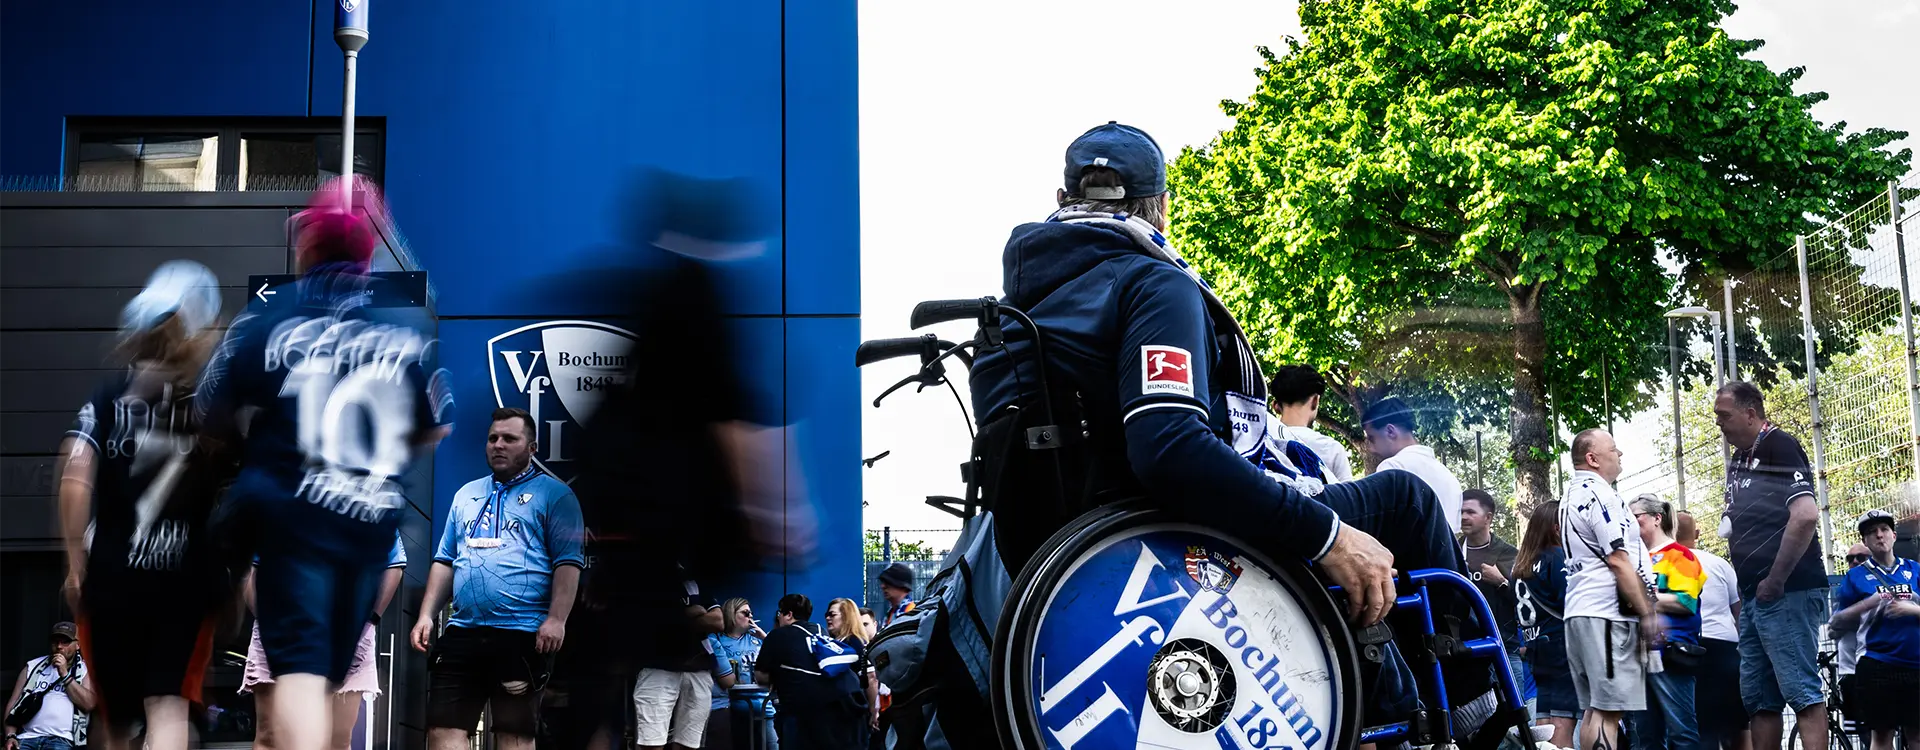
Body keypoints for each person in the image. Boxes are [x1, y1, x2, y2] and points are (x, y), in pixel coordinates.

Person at [960, 121, 1490, 744]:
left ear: (1061, 199)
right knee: (1405, 498)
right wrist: (1327, 535)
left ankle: (1387, 687)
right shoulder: (1152, 282)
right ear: (1158, 205)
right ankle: (1470, 711)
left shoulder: (1013, 316)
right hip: (1172, 529)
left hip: (1074, 555)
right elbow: (1170, 447)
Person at [197, 177, 451, 750]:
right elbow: (437, 424)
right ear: (366, 256)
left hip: (295, 520)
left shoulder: (268, 319)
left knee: (301, 674)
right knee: (328, 675)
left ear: (307, 248)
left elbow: (209, 407)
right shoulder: (401, 330)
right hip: (368, 529)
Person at [54, 261, 226, 750]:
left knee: (115, 722)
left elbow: (75, 472)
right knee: (167, 706)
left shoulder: (110, 397)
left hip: (113, 576)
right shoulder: (207, 405)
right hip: (184, 581)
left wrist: (74, 562)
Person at [411, 408, 585, 750]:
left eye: (510, 439)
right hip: (463, 632)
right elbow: (445, 560)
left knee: (513, 734)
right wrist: (425, 615)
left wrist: (556, 619)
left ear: (532, 447)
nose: (498, 445)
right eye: (493, 438)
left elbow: (568, 563)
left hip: (522, 635)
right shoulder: (466, 495)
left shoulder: (556, 496)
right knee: (441, 729)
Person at [1715, 381, 1830, 750]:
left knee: (1802, 692)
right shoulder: (1739, 460)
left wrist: (1776, 580)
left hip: (1787, 591)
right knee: (1760, 700)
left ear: (1751, 414)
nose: (1719, 423)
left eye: (1725, 415)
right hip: (1754, 597)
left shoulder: (1780, 445)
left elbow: (1806, 515)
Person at [243, 532, 409, 750]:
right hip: (280, 628)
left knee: (336, 740)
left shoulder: (371, 498)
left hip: (348, 631)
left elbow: (393, 562)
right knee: (270, 737)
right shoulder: (278, 497)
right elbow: (250, 568)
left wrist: (370, 620)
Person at [1560, 429, 1658, 750]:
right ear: (1593, 458)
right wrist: (1647, 611)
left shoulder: (1571, 496)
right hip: (1606, 614)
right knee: (1608, 713)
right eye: (1614, 450)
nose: (1620, 455)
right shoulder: (1600, 495)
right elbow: (1618, 559)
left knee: (1595, 710)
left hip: (1581, 612)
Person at [1829, 509, 1920, 750]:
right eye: (1871, 532)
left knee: (1917, 736)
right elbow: (1835, 625)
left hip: (1916, 663)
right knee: (1881, 737)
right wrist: (1868, 604)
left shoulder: (1915, 569)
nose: (1879, 536)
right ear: (1865, 541)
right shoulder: (1855, 577)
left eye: (1884, 530)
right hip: (1877, 662)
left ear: (1893, 535)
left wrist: (1912, 609)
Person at [1629, 495, 1705, 750]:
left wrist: (1640, 598)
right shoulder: (1632, 558)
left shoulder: (1680, 555)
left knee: (1681, 733)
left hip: (1671, 653)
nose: (1630, 522)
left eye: (1636, 516)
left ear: (1656, 518)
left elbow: (1686, 602)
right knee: (1644, 735)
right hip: (1638, 656)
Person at [1678, 511, 1752, 750]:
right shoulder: (1720, 564)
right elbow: (1738, 610)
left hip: (1690, 648)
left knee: (1700, 726)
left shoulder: (1667, 562)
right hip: (1727, 647)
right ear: (1697, 534)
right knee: (1739, 725)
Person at [630, 571, 723, 750]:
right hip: (658, 667)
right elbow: (647, 621)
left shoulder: (694, 580)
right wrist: (693, 614)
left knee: (689, 744)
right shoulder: (643, 580)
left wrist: (676, 617)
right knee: (651, 743)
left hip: (699, 668)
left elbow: (718, 621)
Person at [755, 595, 860, 750]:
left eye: (780, 614)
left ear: (789, 614)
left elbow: (760, 676)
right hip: (828, 712)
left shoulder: (776, 636)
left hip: (795, 712)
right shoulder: (821, 632)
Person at [1515, 501, 1576, 748]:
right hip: (1560, 645)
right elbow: (1569, 601)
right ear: (1555, 527)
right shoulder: (1556, 556)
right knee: (1562, 718)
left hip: (1536, 646)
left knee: (1544, 719)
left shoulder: (1521, 564)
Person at [1460, 489, 1525, 706]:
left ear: (1488, 518)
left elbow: (1526, 605)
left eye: (1470, 512)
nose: (1464, 517)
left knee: (1514, 716)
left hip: (1504, 648)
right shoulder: (1453, 551)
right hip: (1464, 650)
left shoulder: (1509, 555)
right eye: (1461, 511)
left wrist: (1502, 582)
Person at [1364, 396, 1465, 533]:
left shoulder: (1393, 468)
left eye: (1371, 438)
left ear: (1390, 431)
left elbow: (1381, 528)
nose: (1370, 448)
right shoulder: (1448, 476)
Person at [4, 624, 95, 750]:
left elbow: (88, 703)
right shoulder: (32, 666)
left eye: (66, 642)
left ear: (78, 645)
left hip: (62, 740)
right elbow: (13, 703)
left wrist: (64, 674)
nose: (59, 647)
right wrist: (10, 735)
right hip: (27, 738)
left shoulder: (86, 670)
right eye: (55, 641)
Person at [1267, 365, 1354, 483]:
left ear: (1276, 406)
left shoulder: (1263, 441)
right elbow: (1348, 498)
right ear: (1315, 401)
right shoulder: (1332, 449)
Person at [705, 598, 767, 750]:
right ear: (731, 614)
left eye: (751, 613)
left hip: (761, 703)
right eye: (745, 613)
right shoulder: (718, 640)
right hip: (731, 704)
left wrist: (764, 638)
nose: (750, 617)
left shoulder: (756, 639)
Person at [1831, 541, 1872, 748]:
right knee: (1859, 731)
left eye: (1861, 557)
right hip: (1848, 672)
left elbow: (1847, 621)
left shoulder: (1873, 585)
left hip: (1870, 669)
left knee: (1876, 731)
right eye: (1850, 559)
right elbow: (1832, 628)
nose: (1854, 562)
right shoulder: (1845, 589)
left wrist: (1842, 621)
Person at [826, 598, 881, 744]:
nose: (827, 618)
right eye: (827, 614)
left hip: (852, 715)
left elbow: (871, 678)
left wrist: (873, 711)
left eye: (832, 614)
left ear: (846, 616)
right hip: (842, 716)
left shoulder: (855, 643)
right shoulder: (840, 643)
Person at [876, 564, 916, 629]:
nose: (883, 586)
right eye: (883, 582)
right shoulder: (892, 613)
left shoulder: (911, 615)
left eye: (888, 582)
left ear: (903, 587)